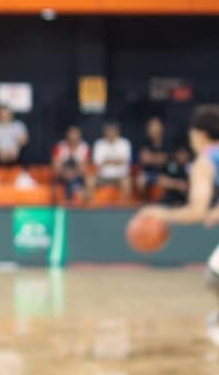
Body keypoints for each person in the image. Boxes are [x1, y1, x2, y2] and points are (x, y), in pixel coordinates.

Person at [139, 106, 219, 326]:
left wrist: (160, 213)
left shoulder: (205, 161)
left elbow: (195, 212)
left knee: (214, 278)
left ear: (199, 134)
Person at [0, 105, 35, 189]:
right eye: (1, 112)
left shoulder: (18, 125)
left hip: (14, 155)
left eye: (6, 112)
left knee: (26, 149)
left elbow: (24, 140)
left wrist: (17, 149)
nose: (4, 115)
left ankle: (24, 177)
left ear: (11, 114)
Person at [90, 122, 133, 202]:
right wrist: (116, 161)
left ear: (117, 131)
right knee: (90, 180)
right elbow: (98, 163)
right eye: (108, 131)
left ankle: (124, 208)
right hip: (103, 176)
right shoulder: (99, 144)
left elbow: (125, 161)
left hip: (120, 176)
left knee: (127, 182)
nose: (110, 133)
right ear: (105, 132)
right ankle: (91, 206)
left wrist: (106, 161)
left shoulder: (125, 143)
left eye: (113, 130)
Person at [52, 125, 91, 203]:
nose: (73, 137)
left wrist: (72, 173)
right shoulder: (60, 146)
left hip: (77, 176)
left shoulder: (84, 147)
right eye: (71, 134)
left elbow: (84, 166)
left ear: (79, 135)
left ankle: (78, 202)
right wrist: (65, 173)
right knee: (64, 182)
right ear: (67, 135)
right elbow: (56, 165)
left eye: (75, 134)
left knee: (84, 181)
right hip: (62, 175)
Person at [137, 117, 171, 197]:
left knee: (164, 179)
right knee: (140, 180)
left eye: (157, 127)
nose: (155, 129)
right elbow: (144, 159)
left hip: (165, 172)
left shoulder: (167, 142)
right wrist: (158, 159)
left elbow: (167, 159)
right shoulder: (145, 141)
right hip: (149, 172)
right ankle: (143, 203)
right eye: (152, 127)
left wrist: (152, 158)